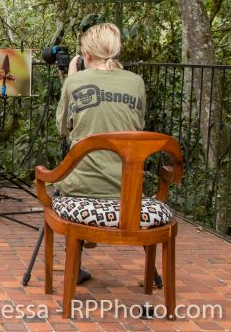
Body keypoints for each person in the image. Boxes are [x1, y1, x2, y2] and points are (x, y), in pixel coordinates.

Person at [54, 22, 147, 284]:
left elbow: (62, 128)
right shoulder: (136, 82)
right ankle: (150, 270)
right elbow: (137, 127)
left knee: (66, 178)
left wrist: (70, 78)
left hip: (83, 189)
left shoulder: (76, 80)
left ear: (86, 55)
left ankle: (78, 259)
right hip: (127, 188)